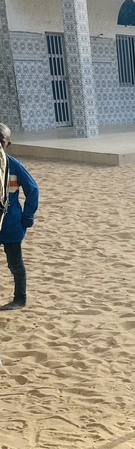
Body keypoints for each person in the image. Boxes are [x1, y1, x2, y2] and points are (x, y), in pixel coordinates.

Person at [0, 124, 40, 311]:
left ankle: (20, 299)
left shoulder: (15, 166)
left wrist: (27, 218)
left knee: (15, 264)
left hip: (11, 225)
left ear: (8, 144)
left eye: (0, 141)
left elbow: (33, 190)